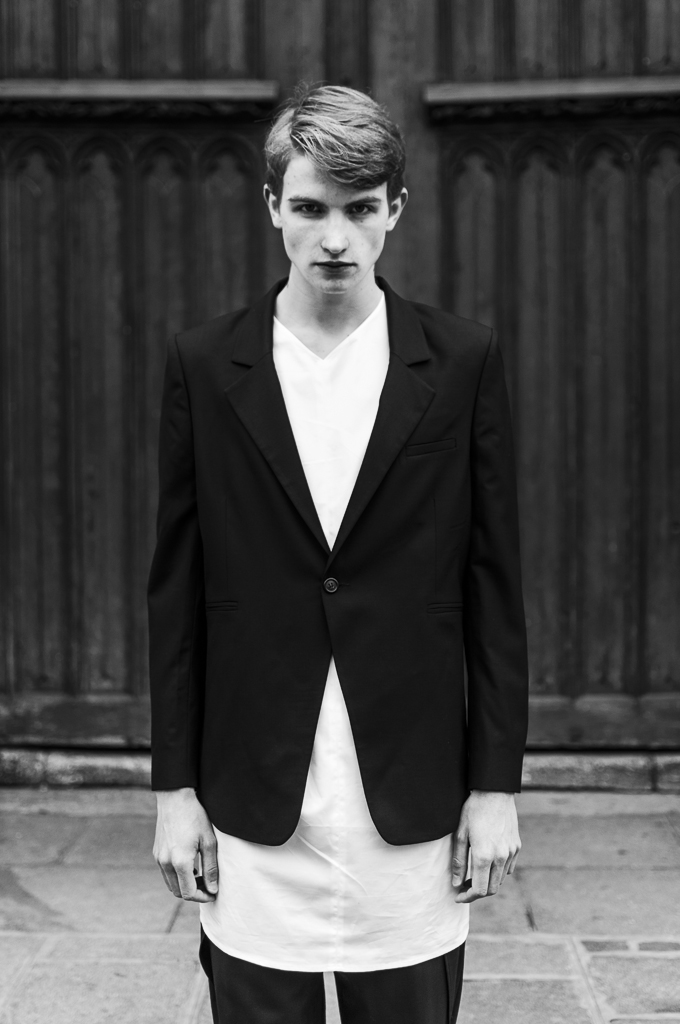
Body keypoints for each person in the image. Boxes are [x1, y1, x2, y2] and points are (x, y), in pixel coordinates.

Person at [148, 83, 529, 1024]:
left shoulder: (462, 360)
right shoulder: (205, 364)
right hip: (255, 792)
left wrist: (494, 788)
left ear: (394, 210)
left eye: (359, 211)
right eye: (312, 209)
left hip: (409, 795)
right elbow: (177, 592)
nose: (334, 239)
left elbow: (494, 584)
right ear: (272, 205)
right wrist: (174, 791)